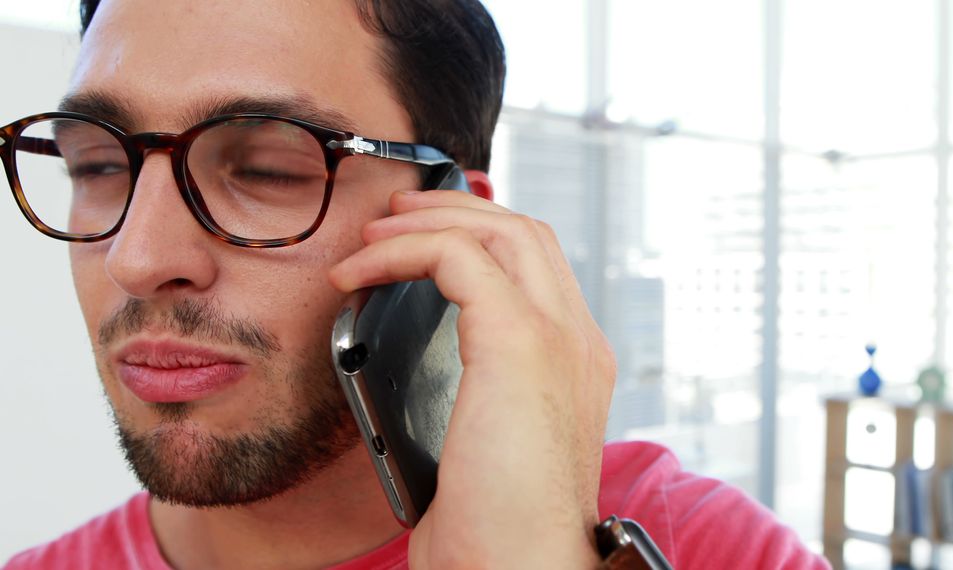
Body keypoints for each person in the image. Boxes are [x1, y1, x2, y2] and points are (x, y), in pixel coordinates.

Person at [1, 1, 829, 568]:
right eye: (99, 165)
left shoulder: (711, 546)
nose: (136, 258)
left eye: (265, 166)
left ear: (456, 225)